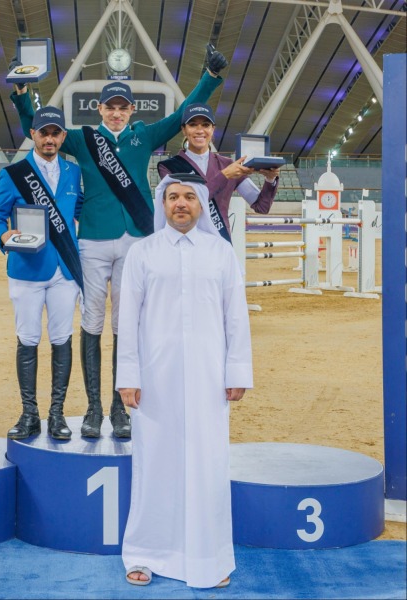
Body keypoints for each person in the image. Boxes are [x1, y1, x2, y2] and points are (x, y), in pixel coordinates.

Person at [10, 44, 232, 439]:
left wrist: (209, 79)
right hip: (93, 240)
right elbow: (35, 126)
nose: (116, 112)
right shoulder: (80, 139)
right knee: (92, 323)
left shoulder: (144, 137)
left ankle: (119, 407)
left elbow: (185, 113)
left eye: (122, 107)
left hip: (135, 241)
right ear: (100, 110)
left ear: (132, 111)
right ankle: (94, 409)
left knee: (126, 323)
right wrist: (23, 95)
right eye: (110, 107)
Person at [115, 172, 252, 589]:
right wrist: (128, 377)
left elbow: (236, 315)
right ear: (162, 204)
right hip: (155, 380)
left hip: (211, 379)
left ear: (200, 204)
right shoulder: (143, 253)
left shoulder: (220, 253)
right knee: (154, 463)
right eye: (172, 196)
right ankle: (144, 553)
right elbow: (128, 320)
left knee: (208, 464)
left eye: (189, 197)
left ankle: (209, 557)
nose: (180, 204)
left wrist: (237, 371)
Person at [0, 106, 84, 441]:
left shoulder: (73, 172)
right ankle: (29, 414)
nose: (49, 138)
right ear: (33, 134)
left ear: (63, 137)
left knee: (61, 339)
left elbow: (80, 210)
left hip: (63, 271)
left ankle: (56, 415)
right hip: (27, 269)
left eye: (56, 133)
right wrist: (5, 236)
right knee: (28, 339)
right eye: (44, 132)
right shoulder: (13, 174)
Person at [157, 103, 280, 239]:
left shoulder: (228, 164)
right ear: (184, 130)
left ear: (213, 129)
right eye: (192, 124)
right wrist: (225, 175)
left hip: (221, 243)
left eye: (205, 125)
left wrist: (270, 179)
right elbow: (190, 202)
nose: (200, 130)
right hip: (186, 242)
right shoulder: (168, 167)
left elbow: (262, 207)